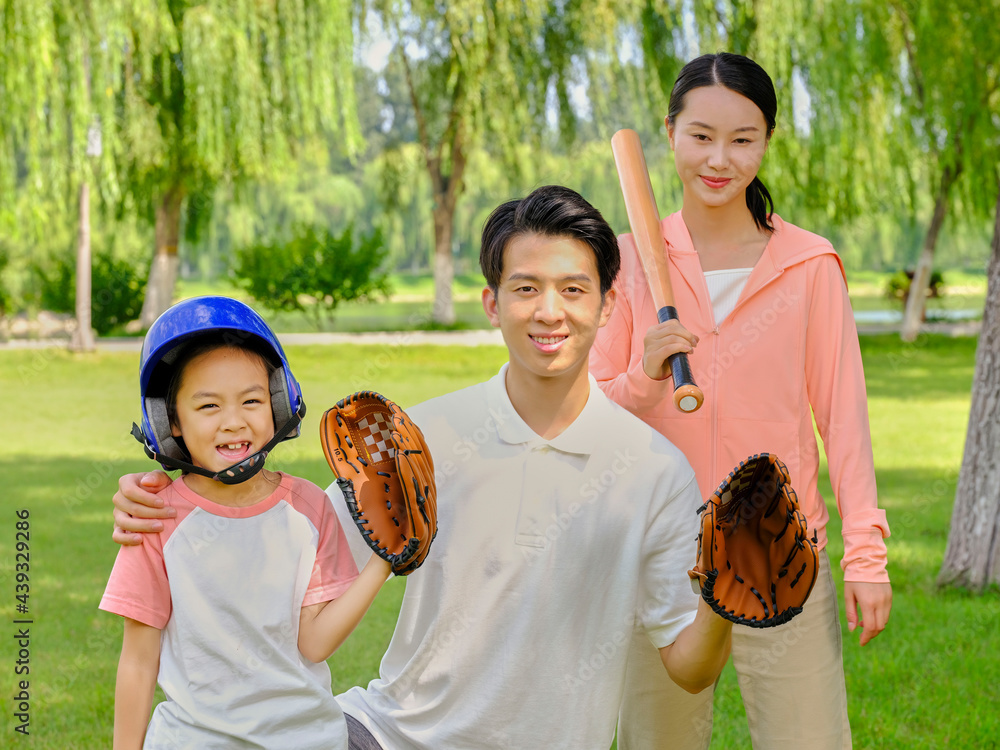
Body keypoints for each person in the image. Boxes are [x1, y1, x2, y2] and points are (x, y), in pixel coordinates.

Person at [111, 185, 736, 749]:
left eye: (573, 289)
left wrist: (724, 598)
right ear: (492, 303)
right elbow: (275, 535)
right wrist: (167, 495)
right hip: (387, 735)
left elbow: (691, 667)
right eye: (526, 288)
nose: (550, 311)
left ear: (607, 305)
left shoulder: (656, 472)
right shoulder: (422, 437)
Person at [590, 52, 892, 749]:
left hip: (779, 548)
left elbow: (843, 418)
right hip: (662, 551)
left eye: (742, 138)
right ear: (670, 134)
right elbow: (588, 409)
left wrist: (865, 557)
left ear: (767, 141)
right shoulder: (629, 262)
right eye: (701, 136)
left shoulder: (810, 265)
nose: (719, 158)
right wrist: (642, 377)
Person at [100, 296, 392, 750]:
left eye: (252, 400)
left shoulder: (309, 508)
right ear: (171, 420)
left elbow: (313, 643)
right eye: (208, 407)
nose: (233, 422)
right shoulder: (155, 518)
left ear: (278, 401)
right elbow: (138, 661)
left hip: (307, 739)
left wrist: (383, 564)